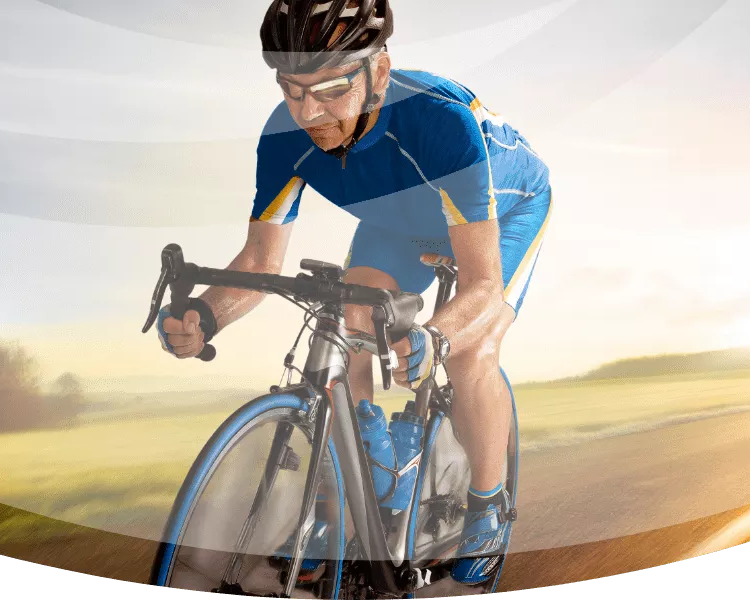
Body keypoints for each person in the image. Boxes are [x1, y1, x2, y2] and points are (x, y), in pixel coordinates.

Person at [155, 0, 551, 586]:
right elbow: (262, 260)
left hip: (504, 210)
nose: (309, 113)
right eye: (292, 90)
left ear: (379, 74)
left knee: (470, 351)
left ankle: (488, 506)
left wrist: (434, 338)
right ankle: (366, 471)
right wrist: (205, 314)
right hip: (398, 220)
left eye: (332, 90)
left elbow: (485, 288)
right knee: (349, 310)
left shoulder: (440, 126)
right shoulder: (284, 133)